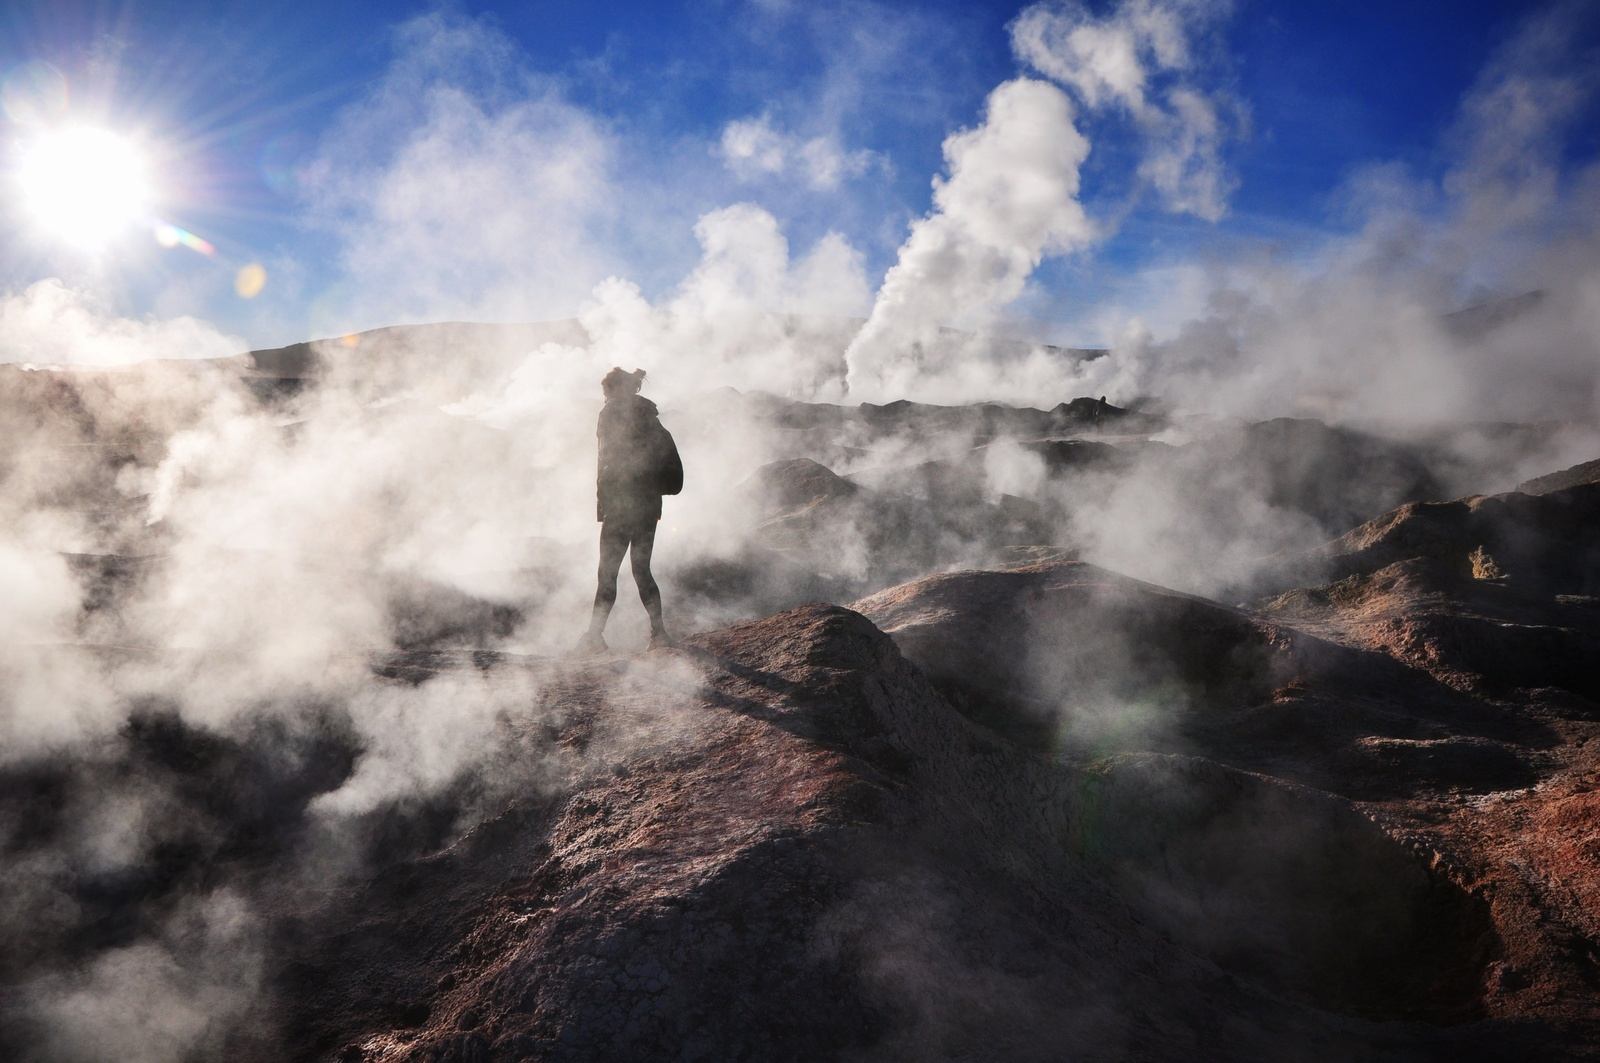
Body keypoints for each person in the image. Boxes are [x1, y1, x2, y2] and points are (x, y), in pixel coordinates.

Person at [574, 367, 680, 654]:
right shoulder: (648, 417)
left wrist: (605, 505)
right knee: (642, 569)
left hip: (621, 506)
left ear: (613, 390)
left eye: (606, 392)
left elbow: (607, 464)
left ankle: (594, 637)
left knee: (607, 573)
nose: (604, 398)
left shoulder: (610, 415)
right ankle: (659, 635)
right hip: (648, 506)